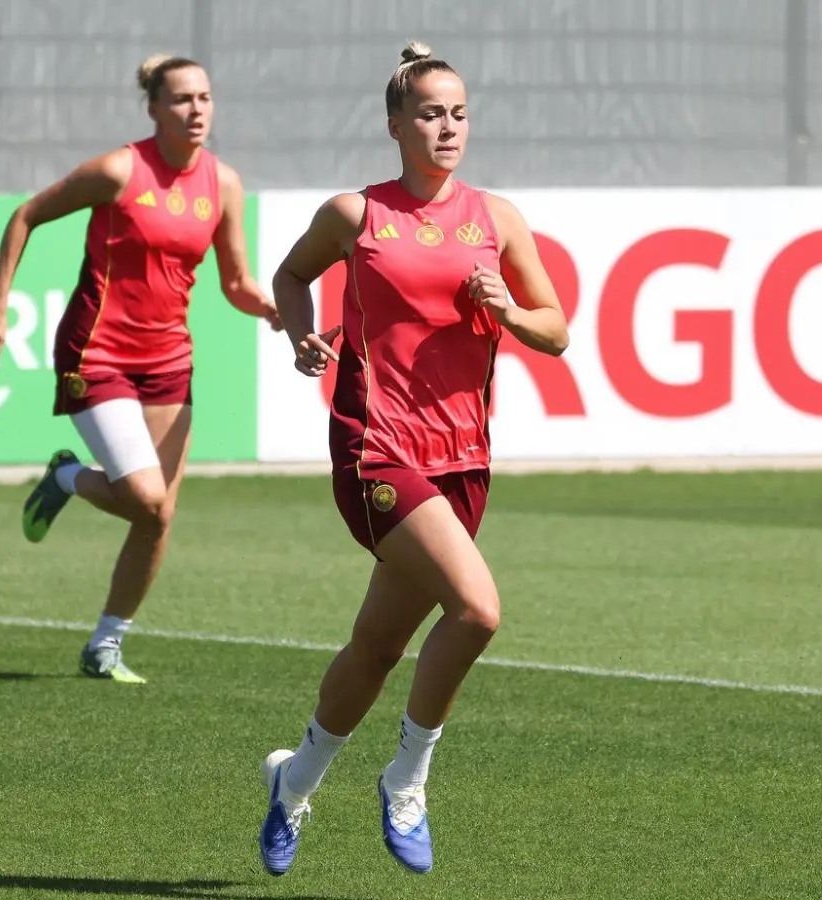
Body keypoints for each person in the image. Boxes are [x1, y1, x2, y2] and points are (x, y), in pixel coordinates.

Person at [254, 40, 569, 877]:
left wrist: (508, 311)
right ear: (396, 125)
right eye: (430, 114)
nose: (448, 127)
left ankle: (295, 780)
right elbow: (290, 278)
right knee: (478, 611)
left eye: (459, 114)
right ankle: (407, 779)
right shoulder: (356, 214)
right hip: (376, 448)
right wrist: (301, 337)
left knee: (377, 647)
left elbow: (556, 331)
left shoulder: (496, 218)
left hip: (462, 459)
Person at [0, 54, 280, 685]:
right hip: (97, 352)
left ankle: (105, 645)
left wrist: (273, 309)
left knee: (158, 514)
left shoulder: (223, 183)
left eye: (204, 97)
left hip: (169, 359)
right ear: (154, 109)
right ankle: (66, 477)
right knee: (144, 496)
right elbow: (26, 214)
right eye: (182, 99)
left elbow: (236, 281)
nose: (196, 110)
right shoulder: (119, 170)